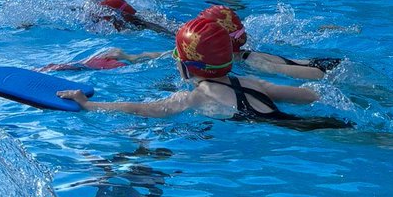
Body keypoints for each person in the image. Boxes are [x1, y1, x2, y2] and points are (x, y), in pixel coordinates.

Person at [57, 17, 321, 121]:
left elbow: (141, 109)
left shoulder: (196, 96)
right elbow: (311, 96)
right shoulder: (253, 82)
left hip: (284, 133)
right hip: (304, 124)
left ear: (186, 66)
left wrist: (89, 105)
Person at [197, 4, 343, 81]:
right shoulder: (243, 55)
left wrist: (340, 81)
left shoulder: (252, 61)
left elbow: (316, 74)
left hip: (331, 70)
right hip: (323, 64)